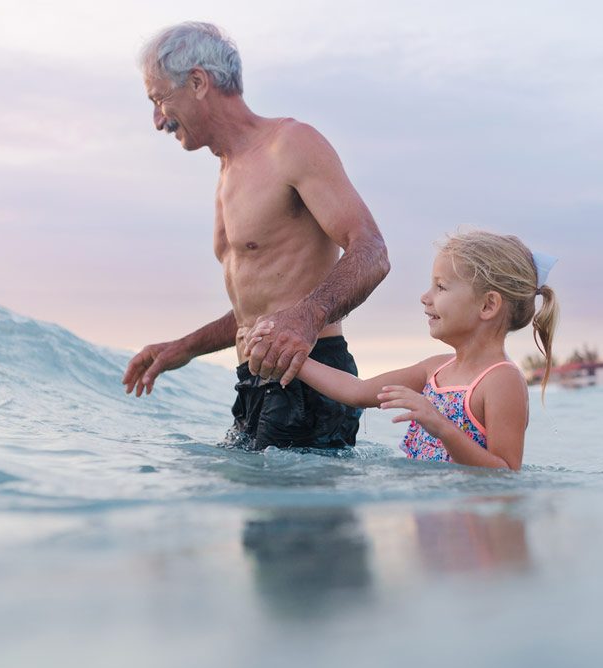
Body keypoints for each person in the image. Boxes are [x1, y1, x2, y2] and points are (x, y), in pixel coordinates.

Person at [120, 22, 390, 452]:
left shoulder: (290, 144)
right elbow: (261, 310)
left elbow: (372, 250)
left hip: (309, 373)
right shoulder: (227, 172)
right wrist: (184, 348)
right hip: (254, 384)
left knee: (290, 520)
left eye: (159, 99)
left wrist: (307, 317)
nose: (157, 120)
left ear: (197, 82)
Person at [249, 231, 558, 470]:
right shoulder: (434, 369)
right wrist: (286, 354)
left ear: (488, 305)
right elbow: (356, 391)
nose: (425, 297)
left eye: (441, 287)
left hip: (472, 531)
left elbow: (505, 474)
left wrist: (441, 427)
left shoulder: (501, 380)